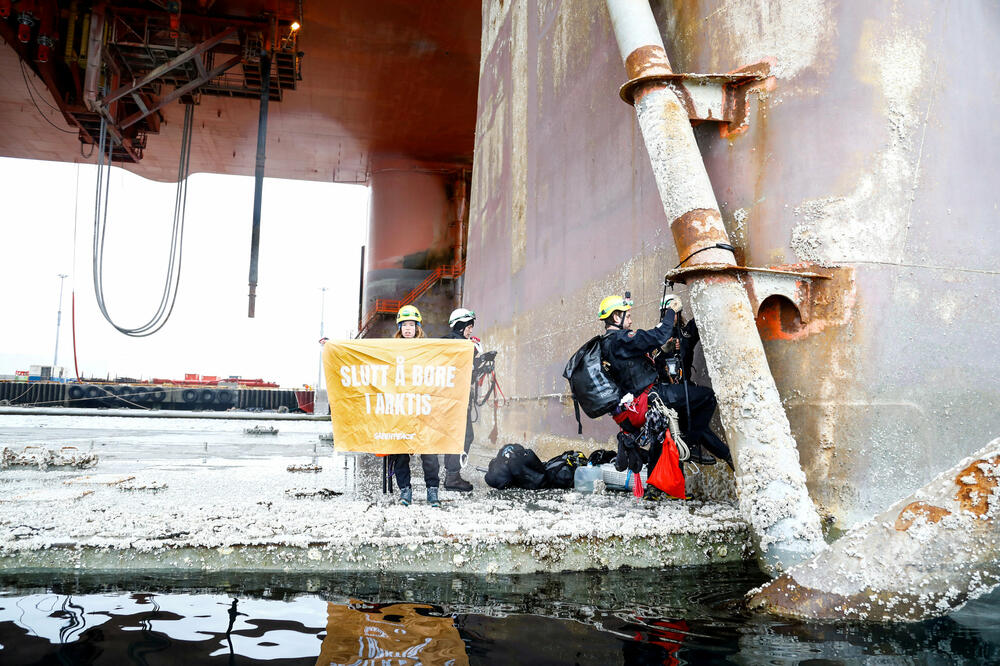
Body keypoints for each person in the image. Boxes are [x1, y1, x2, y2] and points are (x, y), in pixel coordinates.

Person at [598, 293, 731, 469]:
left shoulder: (607, 343)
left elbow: (637, 364)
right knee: (707, 397)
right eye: (627, 316)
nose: (630, 321)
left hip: (637, 404)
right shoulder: (621, 339)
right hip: (651, 397)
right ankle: (689, 445)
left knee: (661, 438)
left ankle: (656, 488)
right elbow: (658, 335)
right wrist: (670, 312)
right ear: (616, 316)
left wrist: (661, 350)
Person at [390, 305, 441, 507]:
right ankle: (405, 491)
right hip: (400, 408)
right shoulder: (389, 348)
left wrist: (466, 347)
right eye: (404, 325)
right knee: (400, 452)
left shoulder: (428, 348)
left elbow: (449, 353)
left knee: (429, 452)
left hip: (423, 406)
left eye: (412, 324)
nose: (408, 328)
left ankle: (432, 491)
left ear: (418, 327)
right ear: (400, 327)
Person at [440, 307, 478, 492]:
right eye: (468, 326)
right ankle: (452, 477)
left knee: (459, 436)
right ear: (460, 325)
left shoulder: (457, 344)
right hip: (456, 401)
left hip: (456, 400)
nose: (471, 330)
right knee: (464, 436)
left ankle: (451, 475)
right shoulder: (458, 344)